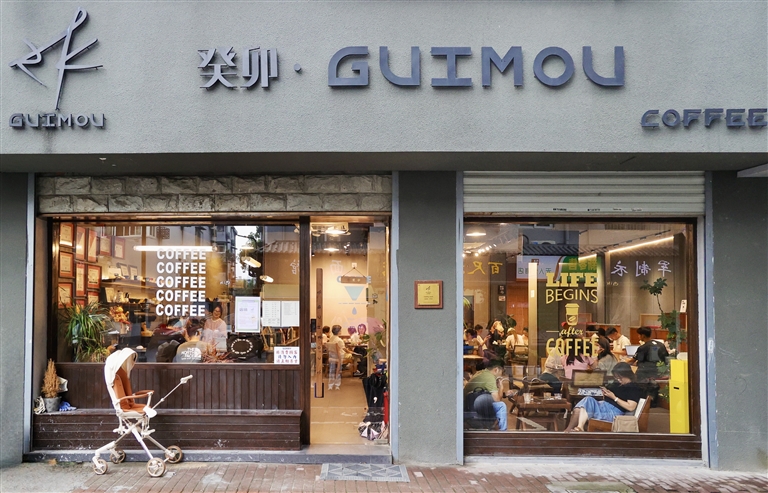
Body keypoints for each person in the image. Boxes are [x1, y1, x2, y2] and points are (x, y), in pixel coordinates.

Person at [564, 362, 641, 432]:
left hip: (613, 412)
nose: (618, 380)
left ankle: (574, 429)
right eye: (616, 377)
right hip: (605, 407)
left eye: (620, 377)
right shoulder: (618, 383)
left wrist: (614, 398)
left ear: (626, 375)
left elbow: (631, 407)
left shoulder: (632, 387)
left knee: (583, 405)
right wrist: (606, 393)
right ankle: (576, 428)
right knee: (581, 406)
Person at [463, 362, 516, 431]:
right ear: (496, 370)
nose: (502, 375)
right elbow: (497, 400)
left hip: (470, 403)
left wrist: (504, 394)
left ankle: (496, 427)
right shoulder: (490, 377)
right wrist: (501, 387)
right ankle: (503, 431)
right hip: (475, 406)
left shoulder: (482, 373)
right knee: (501, 406)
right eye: (502, 372)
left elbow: (489, 394)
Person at [629, 326, 669, 403]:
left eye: (639, 335)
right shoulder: (661, 344)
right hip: (659, 372)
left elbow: (634, 360)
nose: (638, 336)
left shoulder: (643, 347)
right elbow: (666, 358)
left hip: (645, 374)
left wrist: (623, 362)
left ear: (643, 335)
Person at [327, 325, 357, 389]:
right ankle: (355, 371)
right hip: (339, 356)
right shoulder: (339, 340)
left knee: (332, 370)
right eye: (340, 330)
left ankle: (331, 384)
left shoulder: (331, 338)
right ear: (339, 332)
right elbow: (345, 349)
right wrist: (352, 352)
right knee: (354, 356)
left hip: (332, 356)